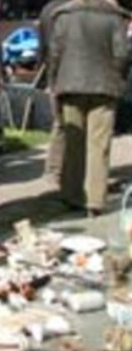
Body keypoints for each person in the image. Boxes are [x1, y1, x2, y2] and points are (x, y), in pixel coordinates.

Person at [49, 0, 129, 216]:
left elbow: (55, 54)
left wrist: (53, 83)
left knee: (73, 142)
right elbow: (122, 54)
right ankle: (95, 200)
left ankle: (71, 194)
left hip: (70, 84)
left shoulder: (64, 15)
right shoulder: (114, 17)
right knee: (99, 146)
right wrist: (118, 79)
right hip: (104, 86)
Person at [38, 0, 72, 187]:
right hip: (69, 70)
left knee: (60, 122)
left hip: (55, 71)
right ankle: (61, 171)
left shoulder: (48, 8)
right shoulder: (72, 8)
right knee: (67, 123)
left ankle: (53, 169)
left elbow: (43, 45)